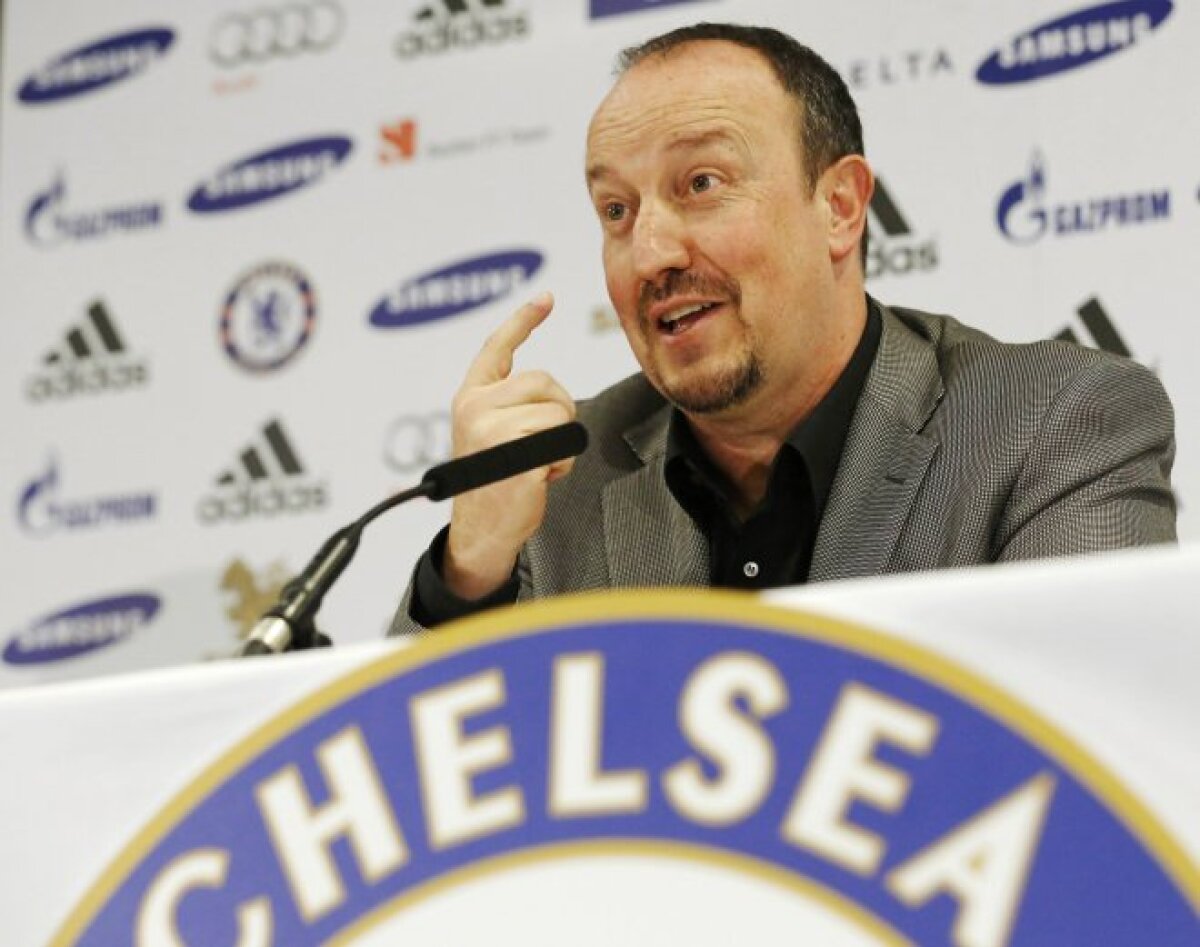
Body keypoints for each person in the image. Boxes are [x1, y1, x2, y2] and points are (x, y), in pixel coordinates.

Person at [389, 22, 1175, 636]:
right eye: (616, 210)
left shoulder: (1052, 423)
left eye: (701, 183)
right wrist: (471, 569)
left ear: (840, 207)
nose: (651, 253)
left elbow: (1087, 745)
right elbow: (410, 770)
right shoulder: (557, 479)